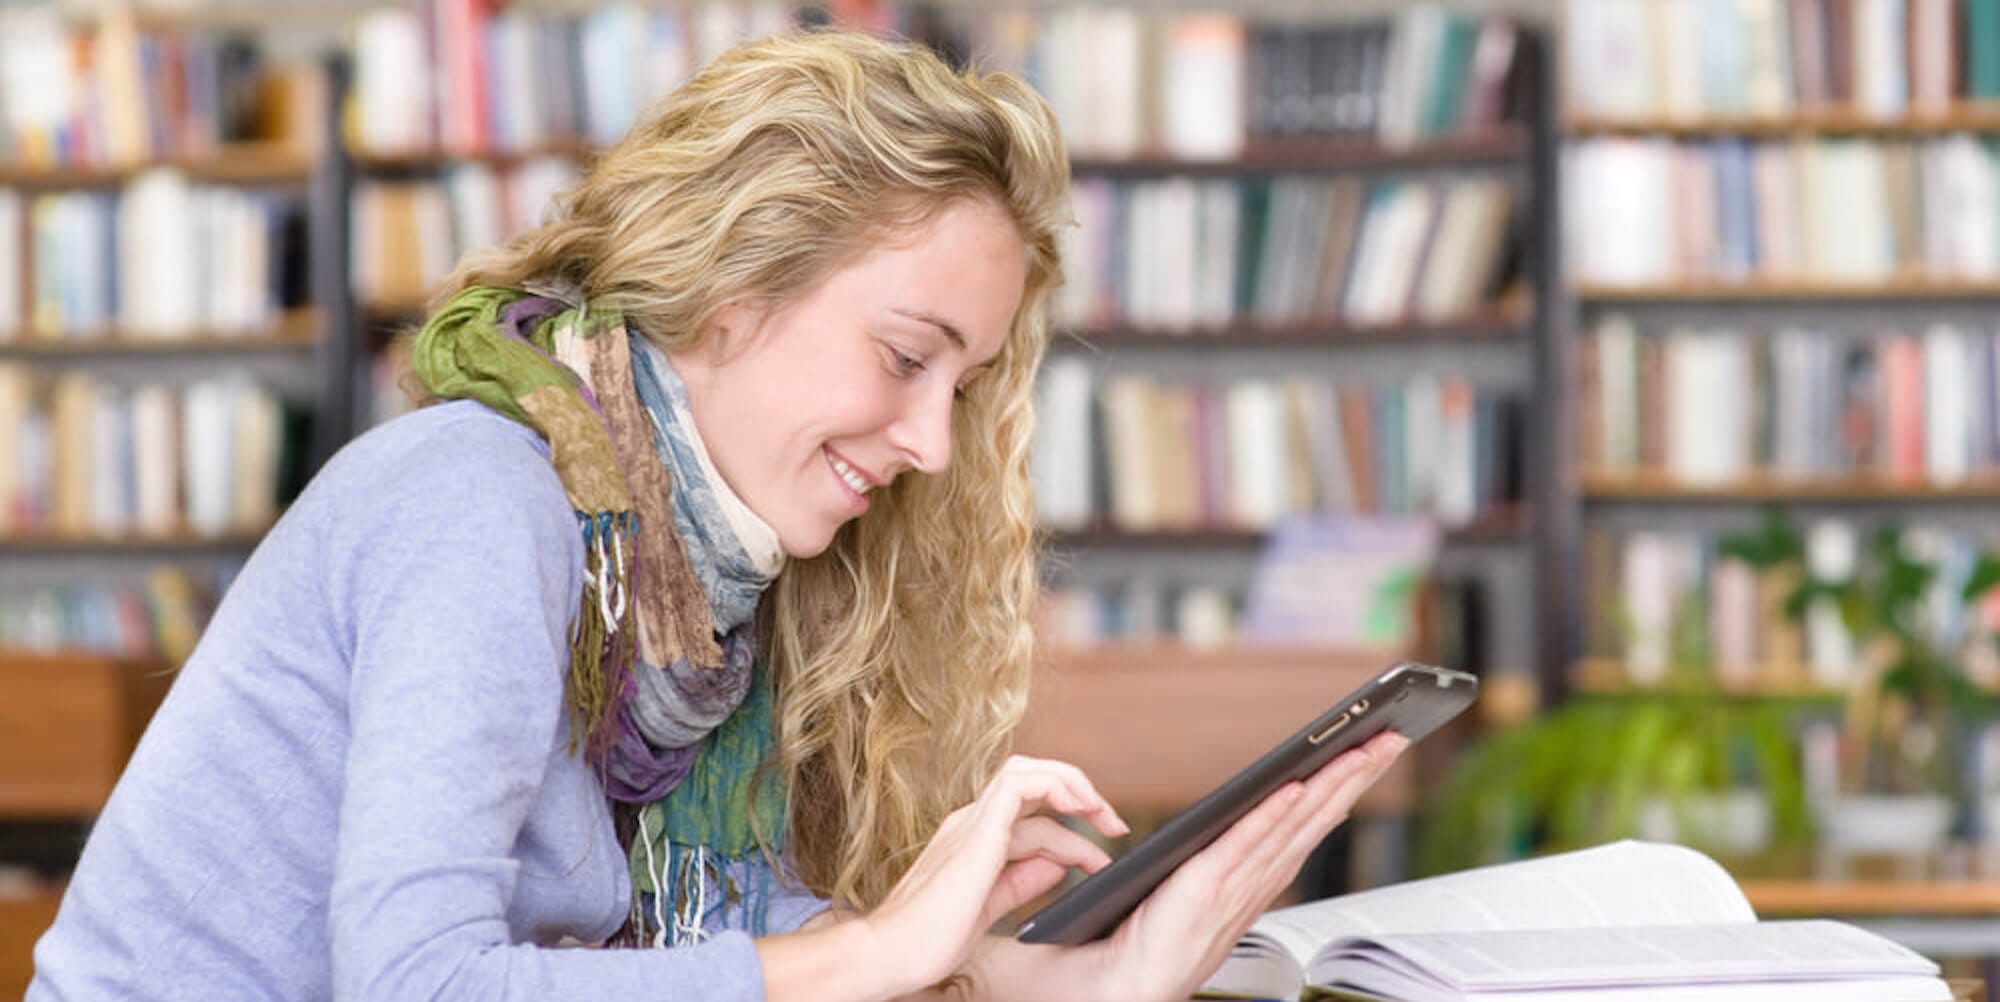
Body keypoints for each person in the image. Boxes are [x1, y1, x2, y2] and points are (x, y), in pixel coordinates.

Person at [27, 29, 1405, 1002]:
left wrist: (1048, 975)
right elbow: (420, 980)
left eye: (963, 384)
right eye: (906, 355)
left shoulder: (701, 596)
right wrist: (884, 952)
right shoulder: (476, 497)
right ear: (732, 288)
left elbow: (723, 954)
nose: (932, 441)